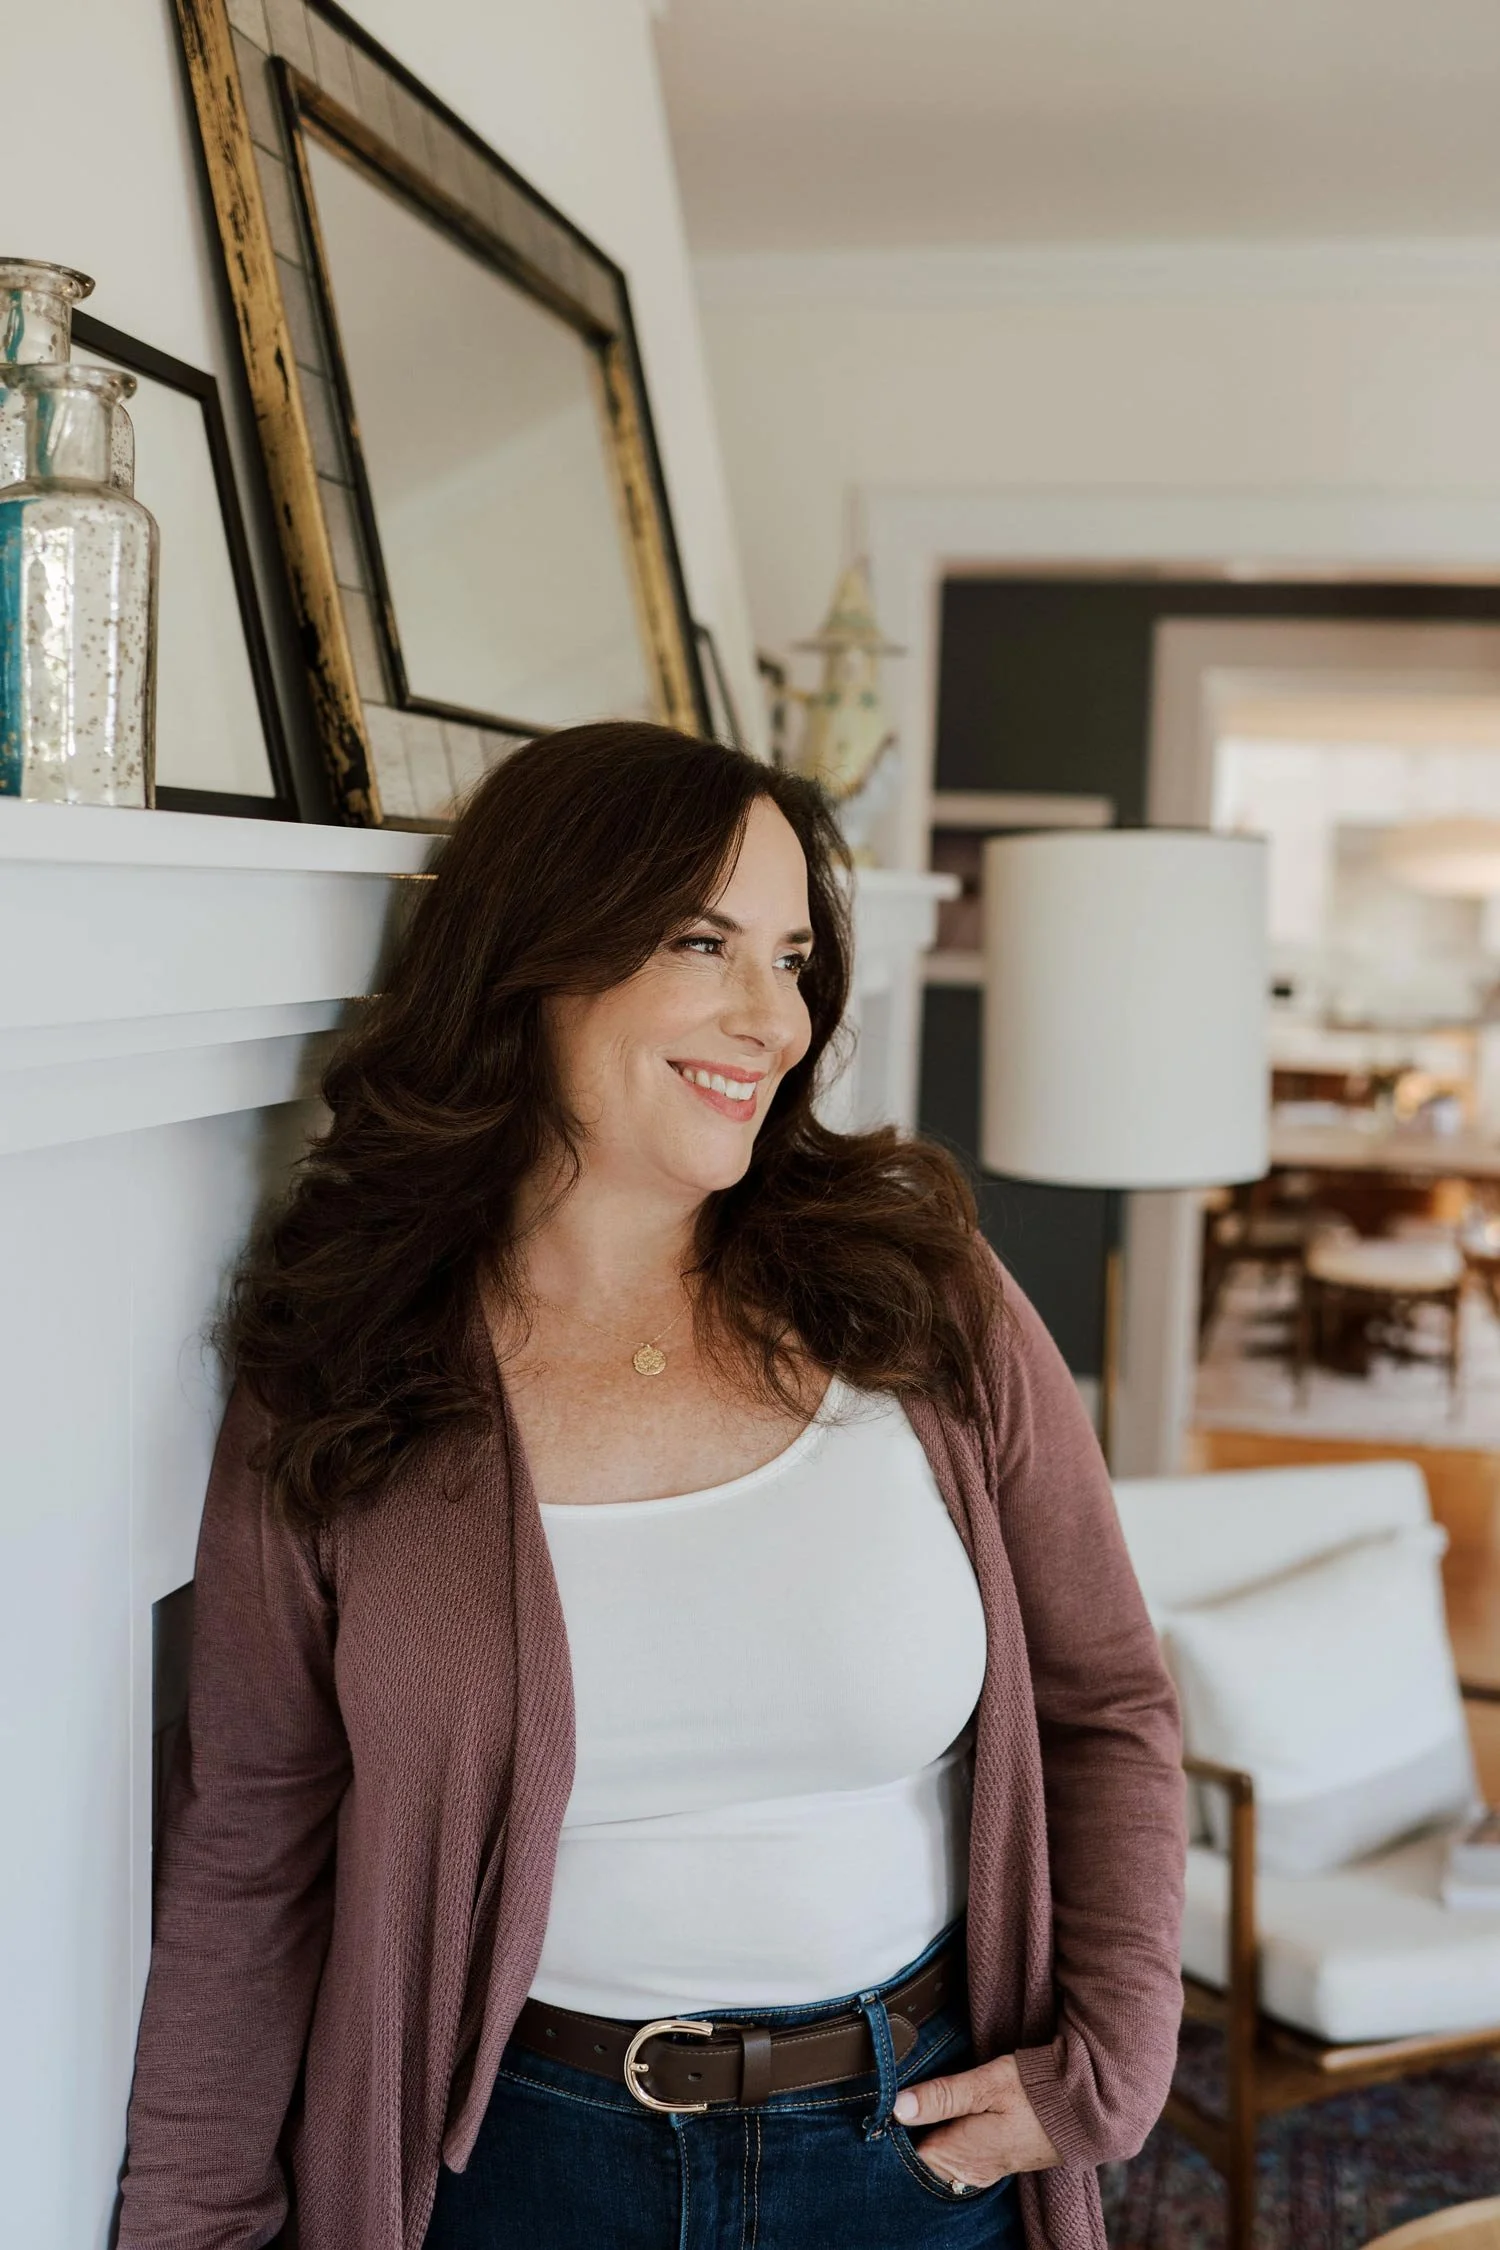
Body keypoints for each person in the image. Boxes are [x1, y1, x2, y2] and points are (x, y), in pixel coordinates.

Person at [118, 722, 1185, 2250]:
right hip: (513, 2171)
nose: (777, 1017)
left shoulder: (920, 1291)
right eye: (703, 942)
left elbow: (1108, 1700)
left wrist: (1112, 2061)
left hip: (911, 2158)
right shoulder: (344, 1361)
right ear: (535, 960)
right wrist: (194, 2224)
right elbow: (251, 1839)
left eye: (793, 957)